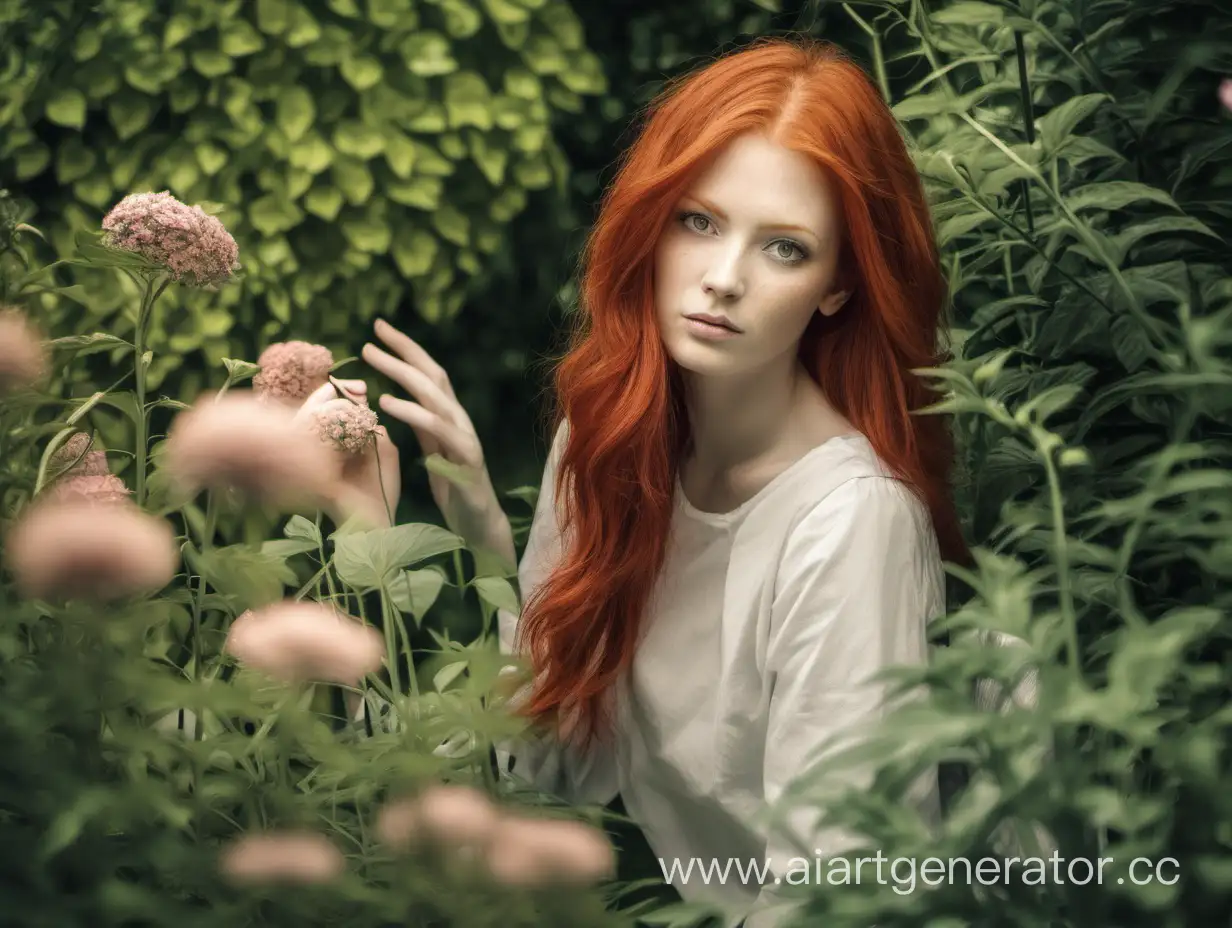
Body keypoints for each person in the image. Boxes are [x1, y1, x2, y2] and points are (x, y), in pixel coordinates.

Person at [302, 36, 968, 928]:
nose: (723, 279)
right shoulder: (613, 435)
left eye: (784, 248)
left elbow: (841, 895)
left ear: (840, 285)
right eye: (698, 221)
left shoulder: (850, 525)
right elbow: (547, 763)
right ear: (651, 226)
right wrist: (432, 537)